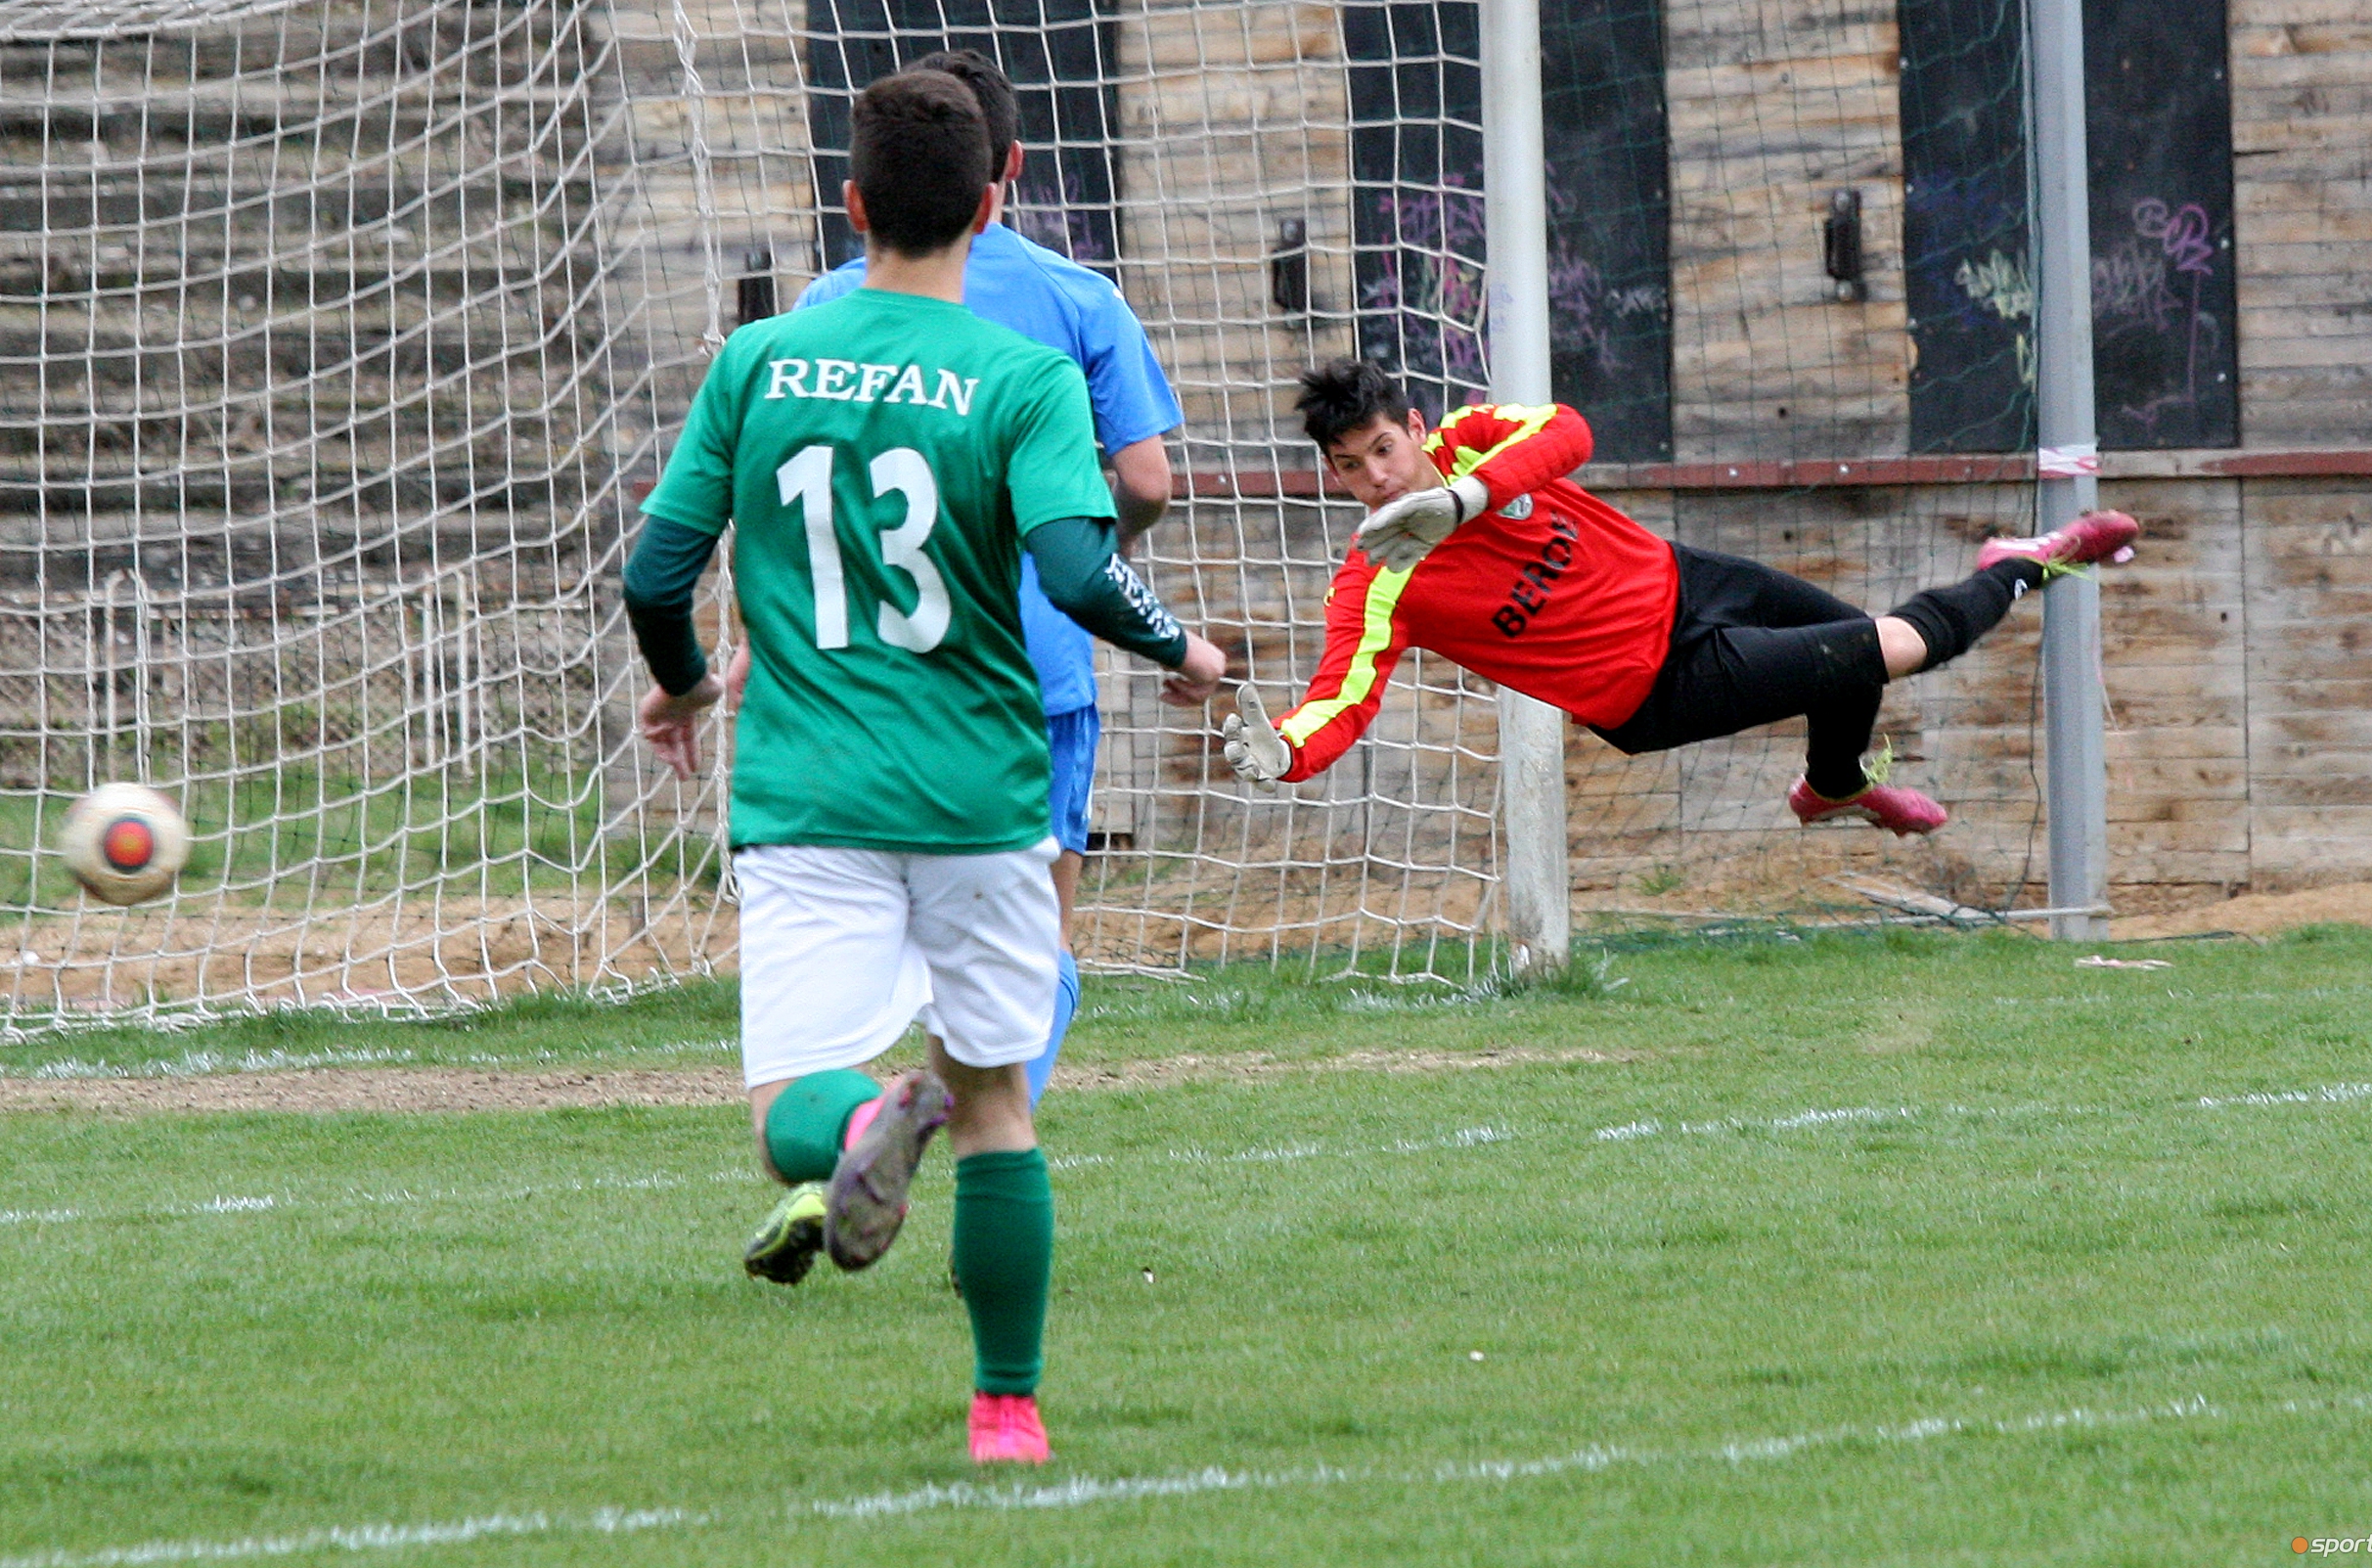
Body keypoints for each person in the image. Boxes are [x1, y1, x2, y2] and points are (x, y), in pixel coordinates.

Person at [622, 68, 1226, 1465]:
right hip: (981, 791)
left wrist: (686, 681)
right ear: (993, 202)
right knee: (1001, 1098)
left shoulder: (761, 357)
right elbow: (1081, 568)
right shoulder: (1023, 375)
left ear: (851, 206)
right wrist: (1178, 645)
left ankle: (870, 1117)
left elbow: (656, 570)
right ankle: (1006, 1406)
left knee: (787, 1121)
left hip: (809, 791)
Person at [729, 48, 1184, 1110]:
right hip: (1033, 666)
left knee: (840, 941)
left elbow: (783, 495)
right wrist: (1059, 542)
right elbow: (1148, 481)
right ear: (1003, 172)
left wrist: (754, 635)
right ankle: (982, 1124)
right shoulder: (1076, 299)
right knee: (1027, 948)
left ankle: (830, 1135)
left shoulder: (820, 310)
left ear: (861, 197)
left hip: (848, 672)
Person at [1222, 358, 2136, 829]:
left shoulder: (1472, 444)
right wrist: (1287, 753)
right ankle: (2028, 564)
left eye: (1383, 450)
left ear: (1415, 428)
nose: (1374, 478)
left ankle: (1831, 787)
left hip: (1688, 579)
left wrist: (1468, 497)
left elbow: (1569, 430)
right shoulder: (1377, 578)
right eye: (1349, 468)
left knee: (1851, 651)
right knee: (1895, 646)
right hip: (1656, 686)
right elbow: (1338, 698)